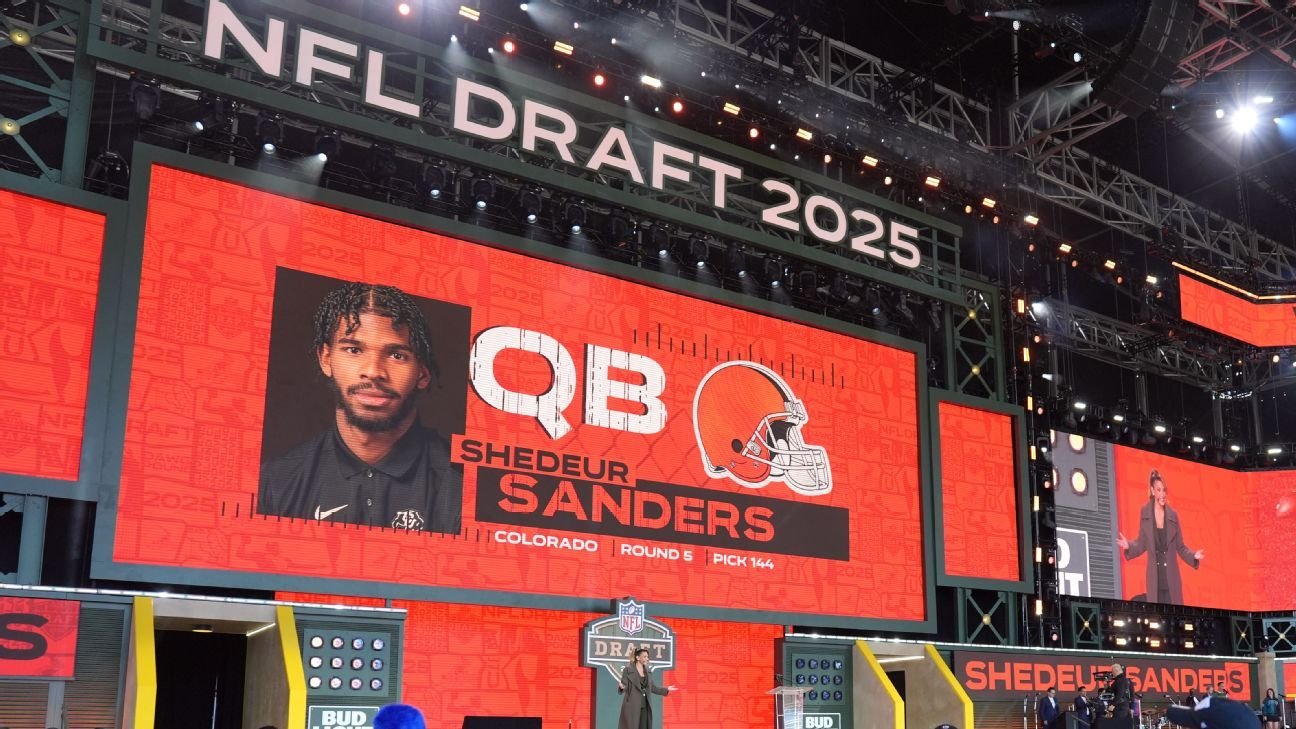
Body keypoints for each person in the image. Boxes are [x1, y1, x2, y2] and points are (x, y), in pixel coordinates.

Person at [258, 282, 462, 533]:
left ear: (422, 373)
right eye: (354, 350)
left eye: (396, 355)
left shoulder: (461, 486)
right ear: (326, 359)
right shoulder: (275, 481)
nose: (373, 371)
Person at [1117, 469, 1204, 605]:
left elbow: (1181, 547)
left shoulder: (1173, 515)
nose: (1162, 494)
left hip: (1171, 579)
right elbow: (1142, 543)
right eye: (1159, 490)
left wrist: (1193, 555)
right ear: (1152, 491)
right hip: (1154, 578)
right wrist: (1129, 545)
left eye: (1164, 490)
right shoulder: (1145, 512)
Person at [617, 648, 678, 729]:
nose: (647, 659)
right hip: (632, 705)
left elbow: (652, 687)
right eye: (645, 656)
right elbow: (624, 685)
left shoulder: (648, 671)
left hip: (645, 705)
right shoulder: (628, 670)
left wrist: (666, 689)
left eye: (647, 657)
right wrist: (622, 687)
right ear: (638, 657)